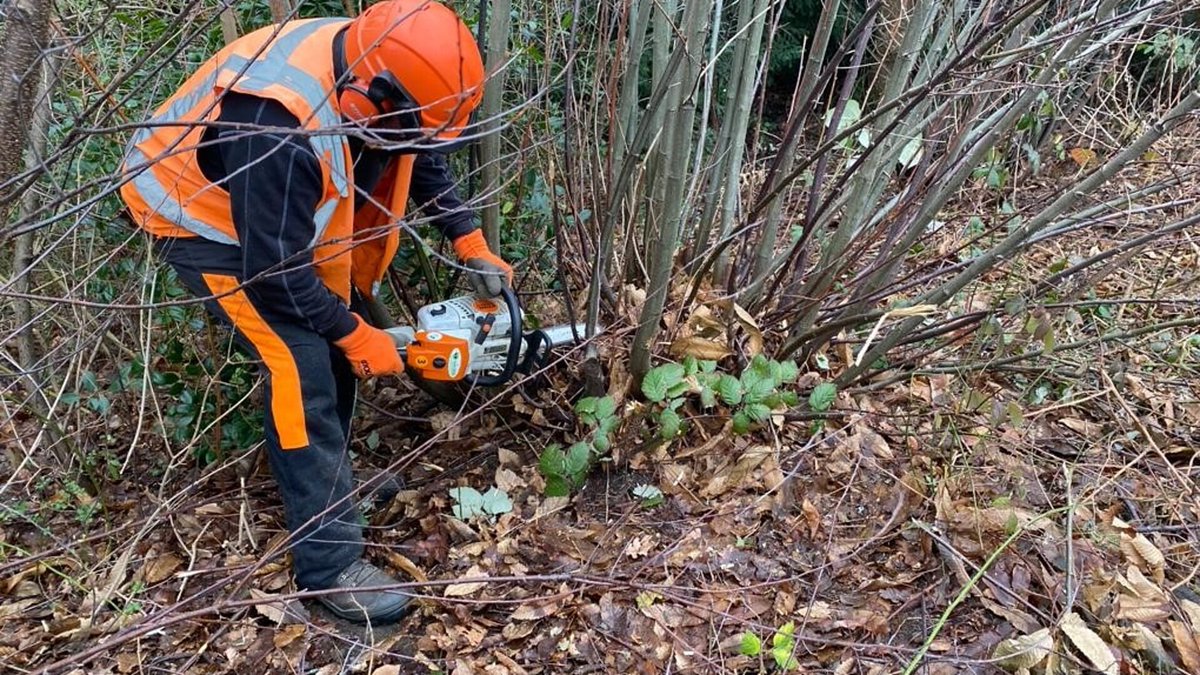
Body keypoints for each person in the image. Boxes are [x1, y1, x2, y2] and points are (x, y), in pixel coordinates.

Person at [118, 0, 511, 623]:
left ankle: (332, 482)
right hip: (203, 221)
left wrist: (467, 237)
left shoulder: (384, 67)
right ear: (368, 96)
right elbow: (271, 272)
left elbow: (420, 143)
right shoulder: (274, 124)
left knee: (335, 334)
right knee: (303, 364)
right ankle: (327, 566)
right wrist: (355, 335)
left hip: (274, 228)